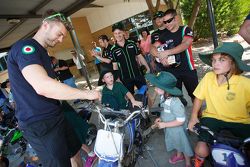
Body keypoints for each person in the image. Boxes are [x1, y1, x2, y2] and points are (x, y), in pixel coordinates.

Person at [7, 9, 100, 167]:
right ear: (45, 25)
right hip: (39, 123)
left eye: (63, 35)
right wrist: (86, 93)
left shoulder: (42, 52)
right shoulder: (26, 47)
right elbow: (42, 86)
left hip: (55, 114)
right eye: (59, 33)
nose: (61, 39)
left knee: (75, 150)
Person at [188, 42, 250, 167]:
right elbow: (198, 98)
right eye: (214, 60)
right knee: (201, 150)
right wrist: (193, 117)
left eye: (222, 60)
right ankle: (198, 161)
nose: (215, 64)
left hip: (241, 121)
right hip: (212, 118)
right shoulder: (208, 77)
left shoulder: (245, 83)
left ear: (233, 63)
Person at [151, 9, 198, 106]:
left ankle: (198, 117)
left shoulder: (185, 29)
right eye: (165, 22)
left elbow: (186, 44)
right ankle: (180, 120)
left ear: (176, 18)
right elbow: (152, 48)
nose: (166, 24)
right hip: (172, 72)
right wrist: (160, 57)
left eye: (169, 21)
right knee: (175, 99)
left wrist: (167, 52)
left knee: (195, 96)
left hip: (188, 69)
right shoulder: (164, 35)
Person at [146, 72, 193, 167]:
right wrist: (160, 118)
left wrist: (164, 125)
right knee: (176, 142)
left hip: (178, 129)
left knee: (184, 145)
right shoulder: (163, 97)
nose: (155, 89)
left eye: (158, 87)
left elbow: (181, 120)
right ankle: (179, 155)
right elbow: (165, 111)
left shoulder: (175, 103)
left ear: (166, 90)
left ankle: (188, 162)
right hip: (170, 127)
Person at [111, 22, 150, 94]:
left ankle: (149, 105)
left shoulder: (131, 43)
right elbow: (115, 66)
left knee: (145, 94)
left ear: (123, 32)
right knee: (131, 99)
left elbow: (140, 56)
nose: (117, 35)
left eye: (119, 33)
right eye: (115, 33)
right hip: (125, 79)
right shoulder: (113, 50)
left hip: (138, 75)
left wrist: (147, 68)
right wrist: (117, 79)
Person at [61, 101, 97, 167]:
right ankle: (91, 154)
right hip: (59, 115)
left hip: (63, 115)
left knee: (73, 138)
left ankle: (91, 154)